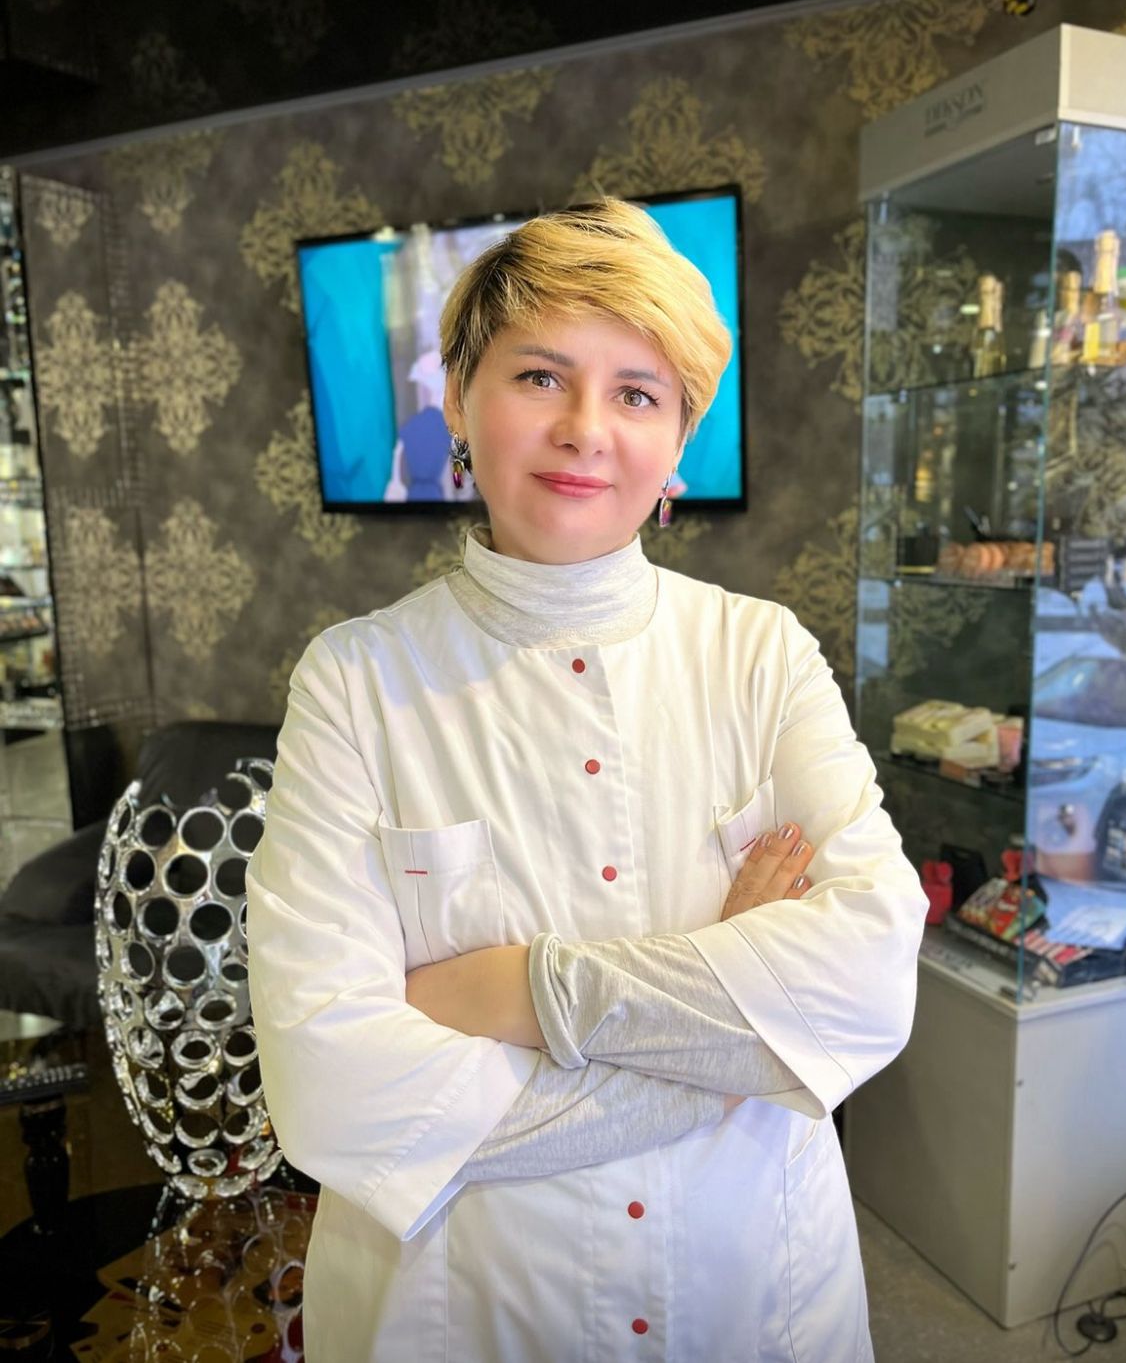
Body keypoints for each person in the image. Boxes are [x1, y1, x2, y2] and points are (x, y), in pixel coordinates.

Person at [245, 197, 928, 1362]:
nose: (585, 430)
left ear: (678, 444)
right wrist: (736, 1048)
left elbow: (867, 981)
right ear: (458, 403)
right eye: (539, 377)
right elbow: (329, 1084)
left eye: (637, 394)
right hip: (468, 1310)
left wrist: (521, 989)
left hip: (754, 1291)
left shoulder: (762, 655)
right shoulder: (357, 681)